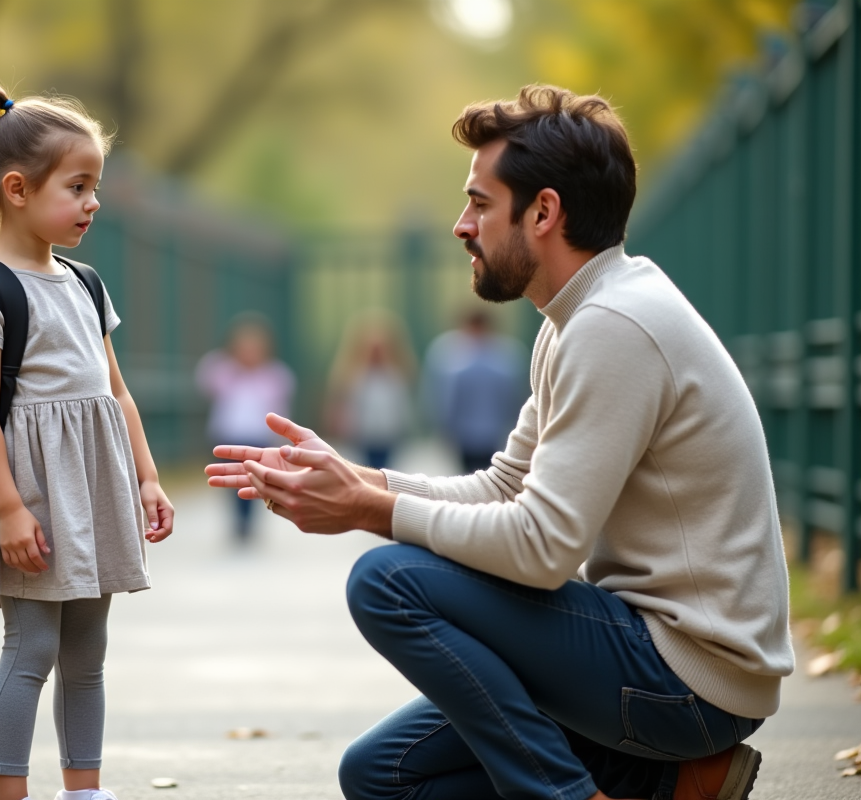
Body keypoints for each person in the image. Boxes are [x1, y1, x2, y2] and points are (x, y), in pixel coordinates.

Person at [206, 85, 793, 800]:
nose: (462, 225)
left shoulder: (615, 326)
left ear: (543, 212)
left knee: (386, 580)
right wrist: (359, 478)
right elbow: (504, 487)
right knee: (381, 776)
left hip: (687, 679)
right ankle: (671, 783)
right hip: (652, 665)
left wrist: (367, 509)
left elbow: (544, 550)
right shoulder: (575, 320)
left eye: (480, 203)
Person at [0, 83, 174, 800]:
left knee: (87, 654)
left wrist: (148, 478)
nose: (91, 202)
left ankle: (84, 791)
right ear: (16, 189)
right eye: (77, 186)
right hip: (34, 494)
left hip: (94, 491)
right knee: (31, 647)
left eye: (93, 186)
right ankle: (9, 791)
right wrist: (9, 509)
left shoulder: (86, 285)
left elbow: (116, 392)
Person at [195, 314, 295, 542]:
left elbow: (280, 409)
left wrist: (281, 438)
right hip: (228, 436)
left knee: (255, 479)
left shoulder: (274, 375)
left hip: (258, 437)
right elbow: (206, 382)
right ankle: (238, 520)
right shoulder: (225, 371)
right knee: (231, 478)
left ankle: (249, 520)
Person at [323, 310, 417, 471]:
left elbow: (401, 402)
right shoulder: (353, 374)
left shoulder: (395, 373)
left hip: (389, 432)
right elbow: (345, 401)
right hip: (362, 433)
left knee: (386, 470)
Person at [440, 310, 528, 473]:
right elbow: (514, 399)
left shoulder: (456, 360)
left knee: (468, 479)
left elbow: (451, 401)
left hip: (466, 432)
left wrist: (446, 428)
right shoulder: (507, 358)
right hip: (494, 431)